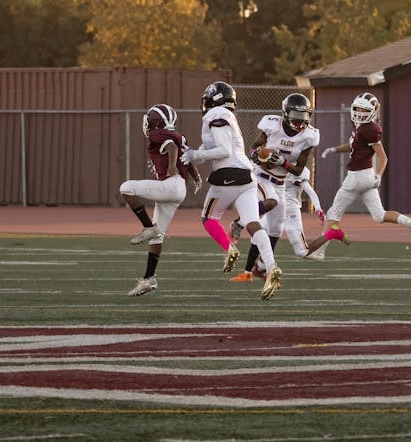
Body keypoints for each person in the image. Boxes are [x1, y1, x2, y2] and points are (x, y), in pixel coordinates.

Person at [180, 81, 281, 300]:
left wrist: (194, 156)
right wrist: (194, 152)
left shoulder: (215, 113)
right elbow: (215, 147)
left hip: (227, 176)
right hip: (246, 175)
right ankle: (271, 266)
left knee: (208, 218)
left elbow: (223, 151)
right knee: (253, 223)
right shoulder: (225, 115)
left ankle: (230, 249)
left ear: (215, 98)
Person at [305, 92, 411, 259]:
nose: (360, 113)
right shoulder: (360, 126)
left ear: (373, 112)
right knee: (379, 215)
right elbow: (354, 146)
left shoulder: (371, 129)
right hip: (366, 177)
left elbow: (383, 156)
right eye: (358, 109)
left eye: (364, 110)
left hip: (357, 177)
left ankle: (320, 250)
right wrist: (335, 150)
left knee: (334, 213)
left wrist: (379, 175)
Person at [229, 93, 319, 283]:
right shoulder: (271, 125)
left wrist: (283, 162)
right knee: (271, 201)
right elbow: (253, 149)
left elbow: (298, 169)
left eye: (304, 115)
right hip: (260, 175)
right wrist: (258, 156)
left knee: (275, 229)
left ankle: (252, 271)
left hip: (280, 182)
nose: (300, 120)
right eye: (296, 114)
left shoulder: (309, 136)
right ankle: (240, 222)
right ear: (286, 112)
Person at [120, 104, 201, 296]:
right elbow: (187, 158)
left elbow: (172, 149)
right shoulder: (180, 136)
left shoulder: (157, 134)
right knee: (158, 236)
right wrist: (196, 177)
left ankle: (147, 226)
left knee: (126, 188)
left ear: (155, 122)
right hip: (178, 188)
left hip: (170, 184)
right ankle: (149, 279)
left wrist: (171, 165)